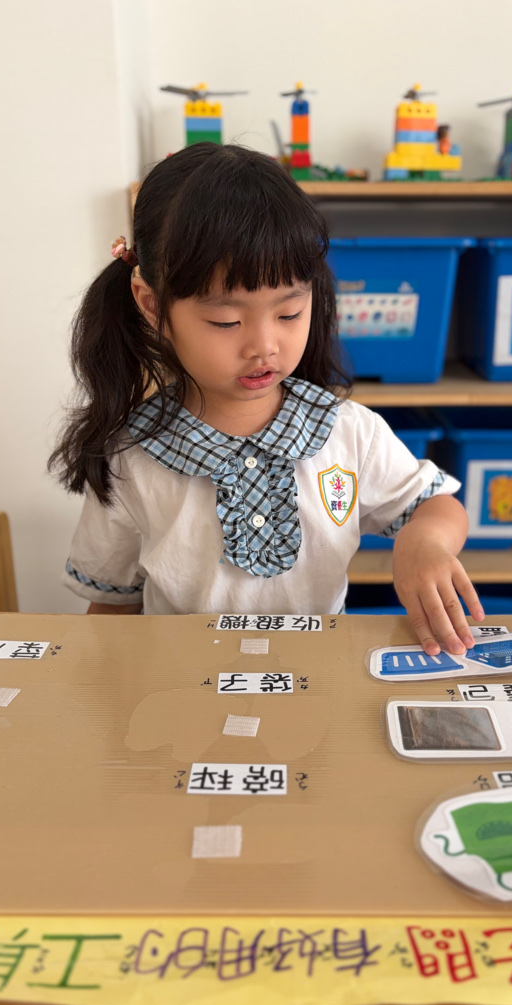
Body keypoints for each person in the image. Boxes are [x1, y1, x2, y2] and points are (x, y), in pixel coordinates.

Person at [49, 142, 484, 656]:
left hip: (316, 679)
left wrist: (425, 541)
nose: (264, 345)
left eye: (289, 313)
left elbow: (435, 505)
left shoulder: (348, 432)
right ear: (152, 304)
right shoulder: (131, 457)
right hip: (179, 685)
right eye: (226, 320)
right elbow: (110, 614)